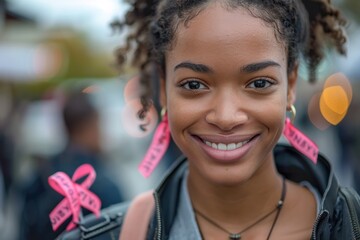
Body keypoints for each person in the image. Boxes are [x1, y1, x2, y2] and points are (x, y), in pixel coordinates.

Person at [60, 0, 359, 239]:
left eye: (258, 83)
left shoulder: (350, 227)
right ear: (163, 89)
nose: (226, 117)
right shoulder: (106, 235)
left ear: (290, 86)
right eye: (194, 85)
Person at [18, 91, 125, 240]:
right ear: (89, 127)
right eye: (99, 125)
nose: (102, 134)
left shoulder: (42, 174)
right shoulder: (101, 182)